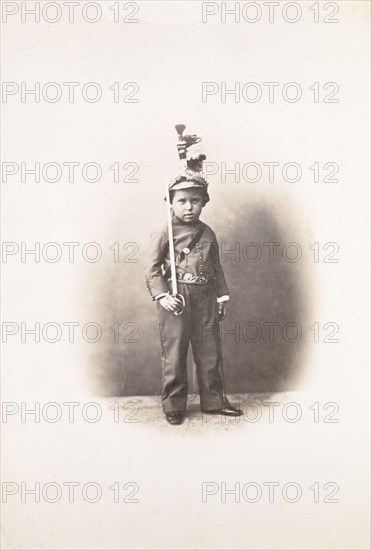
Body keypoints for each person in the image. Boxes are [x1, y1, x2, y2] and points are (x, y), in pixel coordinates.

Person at [144, 127, 242, 425]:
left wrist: (222, 296)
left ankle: (213, 400)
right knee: (174, 354)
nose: (189, 207)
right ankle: (174, 405)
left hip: (206, 298)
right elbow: (151, 268)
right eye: (182, 201)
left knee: (209, 352)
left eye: (195, 201)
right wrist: (162, 296)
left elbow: (216, 267)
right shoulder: (165, 231)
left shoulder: (208, 233)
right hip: (177, 298)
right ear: (171, 203)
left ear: (204, 202)